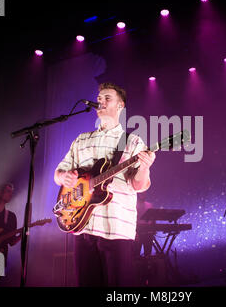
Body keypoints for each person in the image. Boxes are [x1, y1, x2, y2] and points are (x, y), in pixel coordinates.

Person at [54, 82, 155, 287]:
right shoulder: (81, 140)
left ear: (120, 105)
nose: (100, 102)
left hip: (116, 227)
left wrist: (145, 167)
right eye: (99, 99)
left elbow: (139, 185)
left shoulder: (132, 142)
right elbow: (58, 173)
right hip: (82, 225)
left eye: (107, 98)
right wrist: (63, 177)